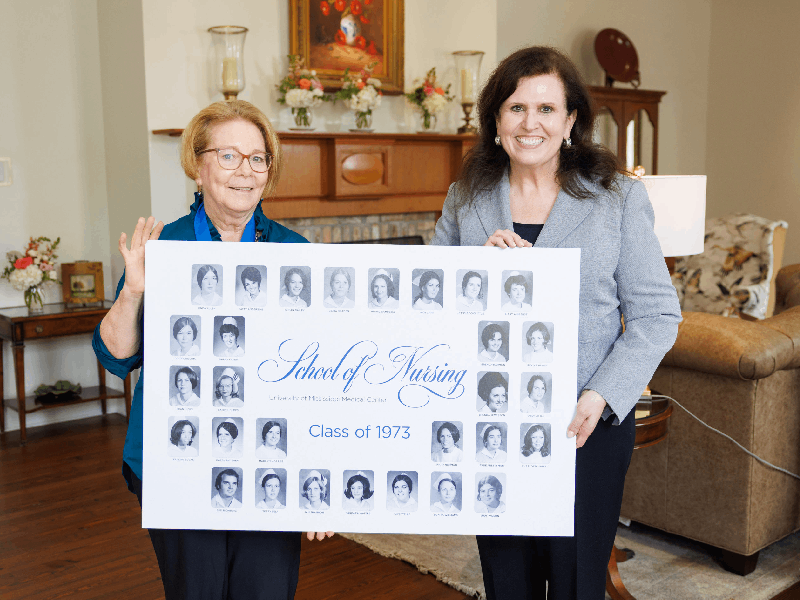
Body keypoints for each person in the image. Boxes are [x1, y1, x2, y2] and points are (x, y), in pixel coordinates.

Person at [429, 46, 681, 599]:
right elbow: (429, 306)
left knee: (574, 583)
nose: (530, 123)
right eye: (516, 108)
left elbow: (657, 314)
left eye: (546, 109)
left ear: (570, 121)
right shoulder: (466, 199)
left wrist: (602, 395)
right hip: (492, 422)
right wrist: (475, 274)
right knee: (506, 580)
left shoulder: (618, 198)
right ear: (496, 122)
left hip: (583, 425)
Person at [93, 99, 332, 600]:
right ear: (196, 166)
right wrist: (134, 291)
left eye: (258, 158)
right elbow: (115, 355)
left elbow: (320, 379)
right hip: (176, 459)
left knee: (265, 591)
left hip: (271, 462)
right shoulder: (163, 246)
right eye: (228, 156)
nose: (245, 171)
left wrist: (319, 479)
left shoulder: (295, 253)